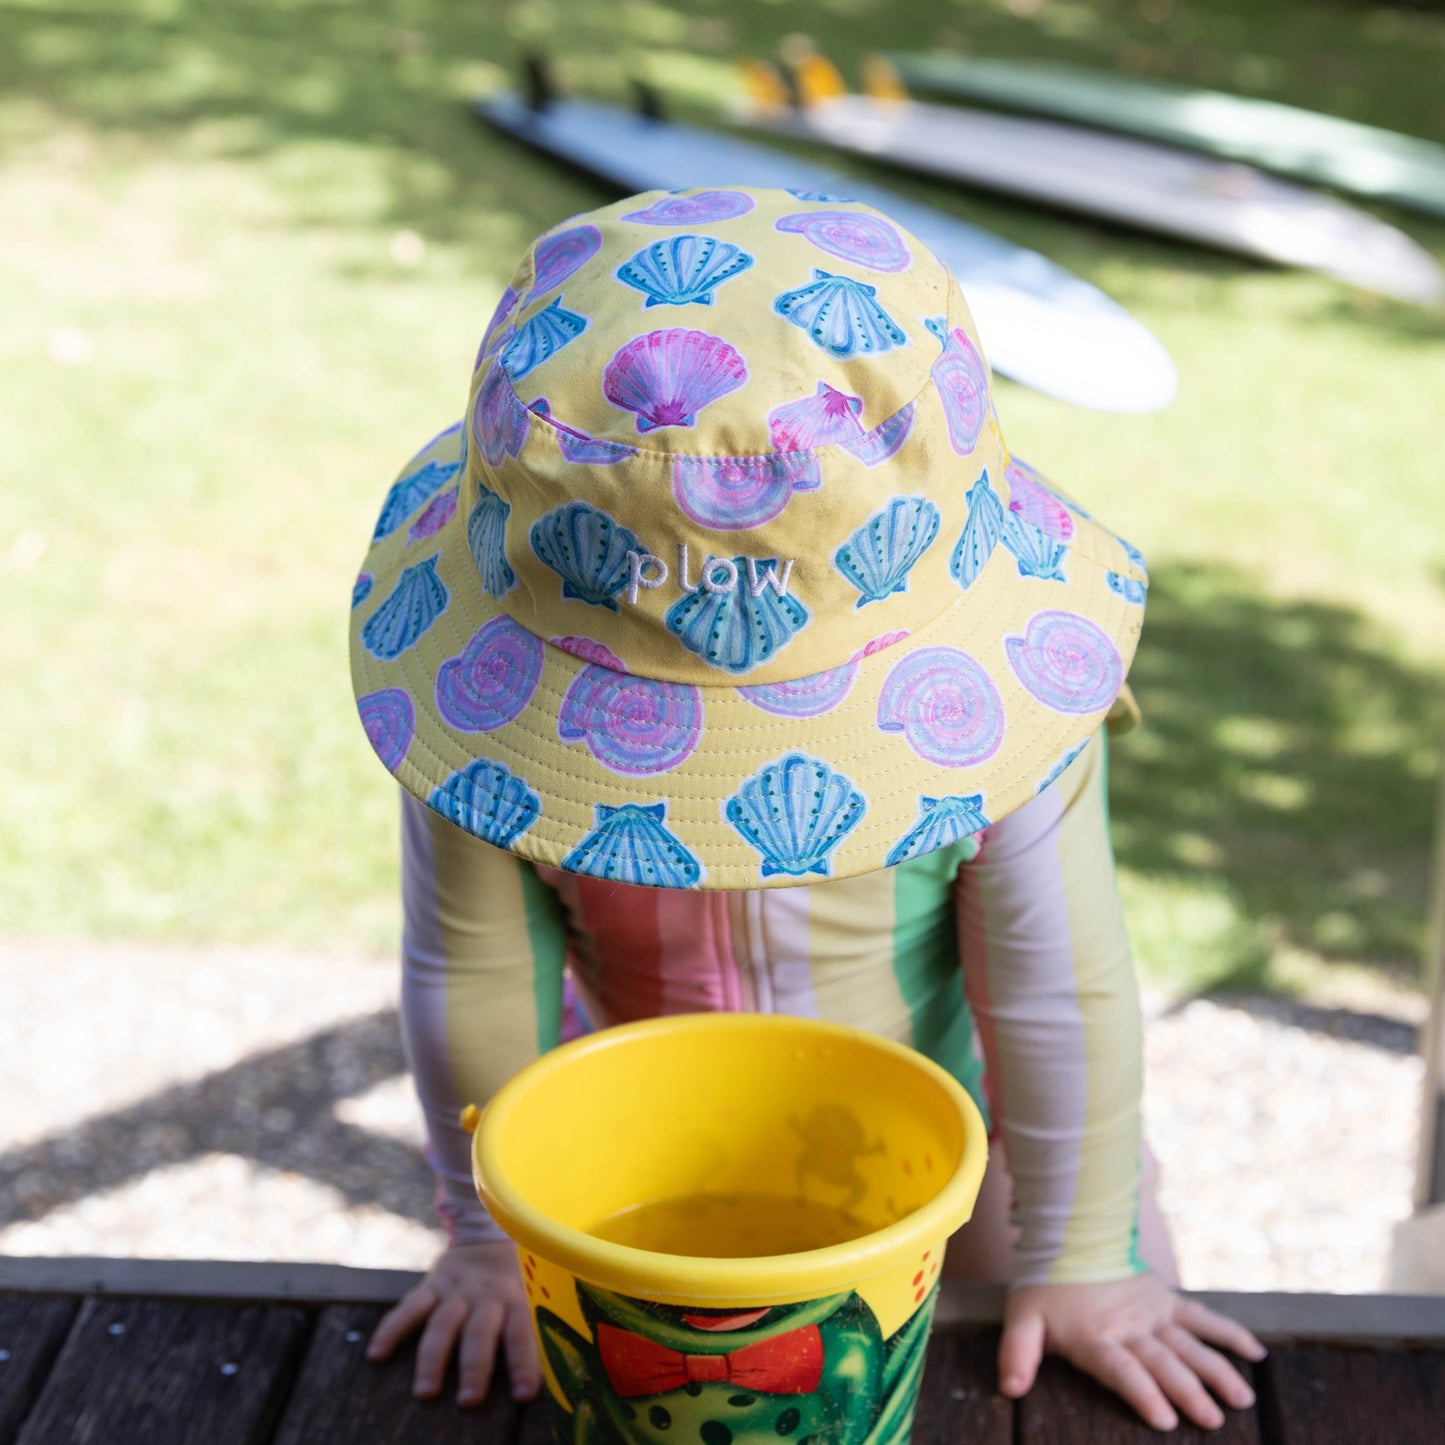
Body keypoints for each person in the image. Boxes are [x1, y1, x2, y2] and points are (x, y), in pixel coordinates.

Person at [348, 186, 1265, 1434]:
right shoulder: (490, 736)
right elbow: (470, 976)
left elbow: (1055, 988)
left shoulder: (993, 728)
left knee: (1061, 1323)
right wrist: (478, 1232)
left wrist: (1085, 1255)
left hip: (967, 1140)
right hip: (639, 1154)